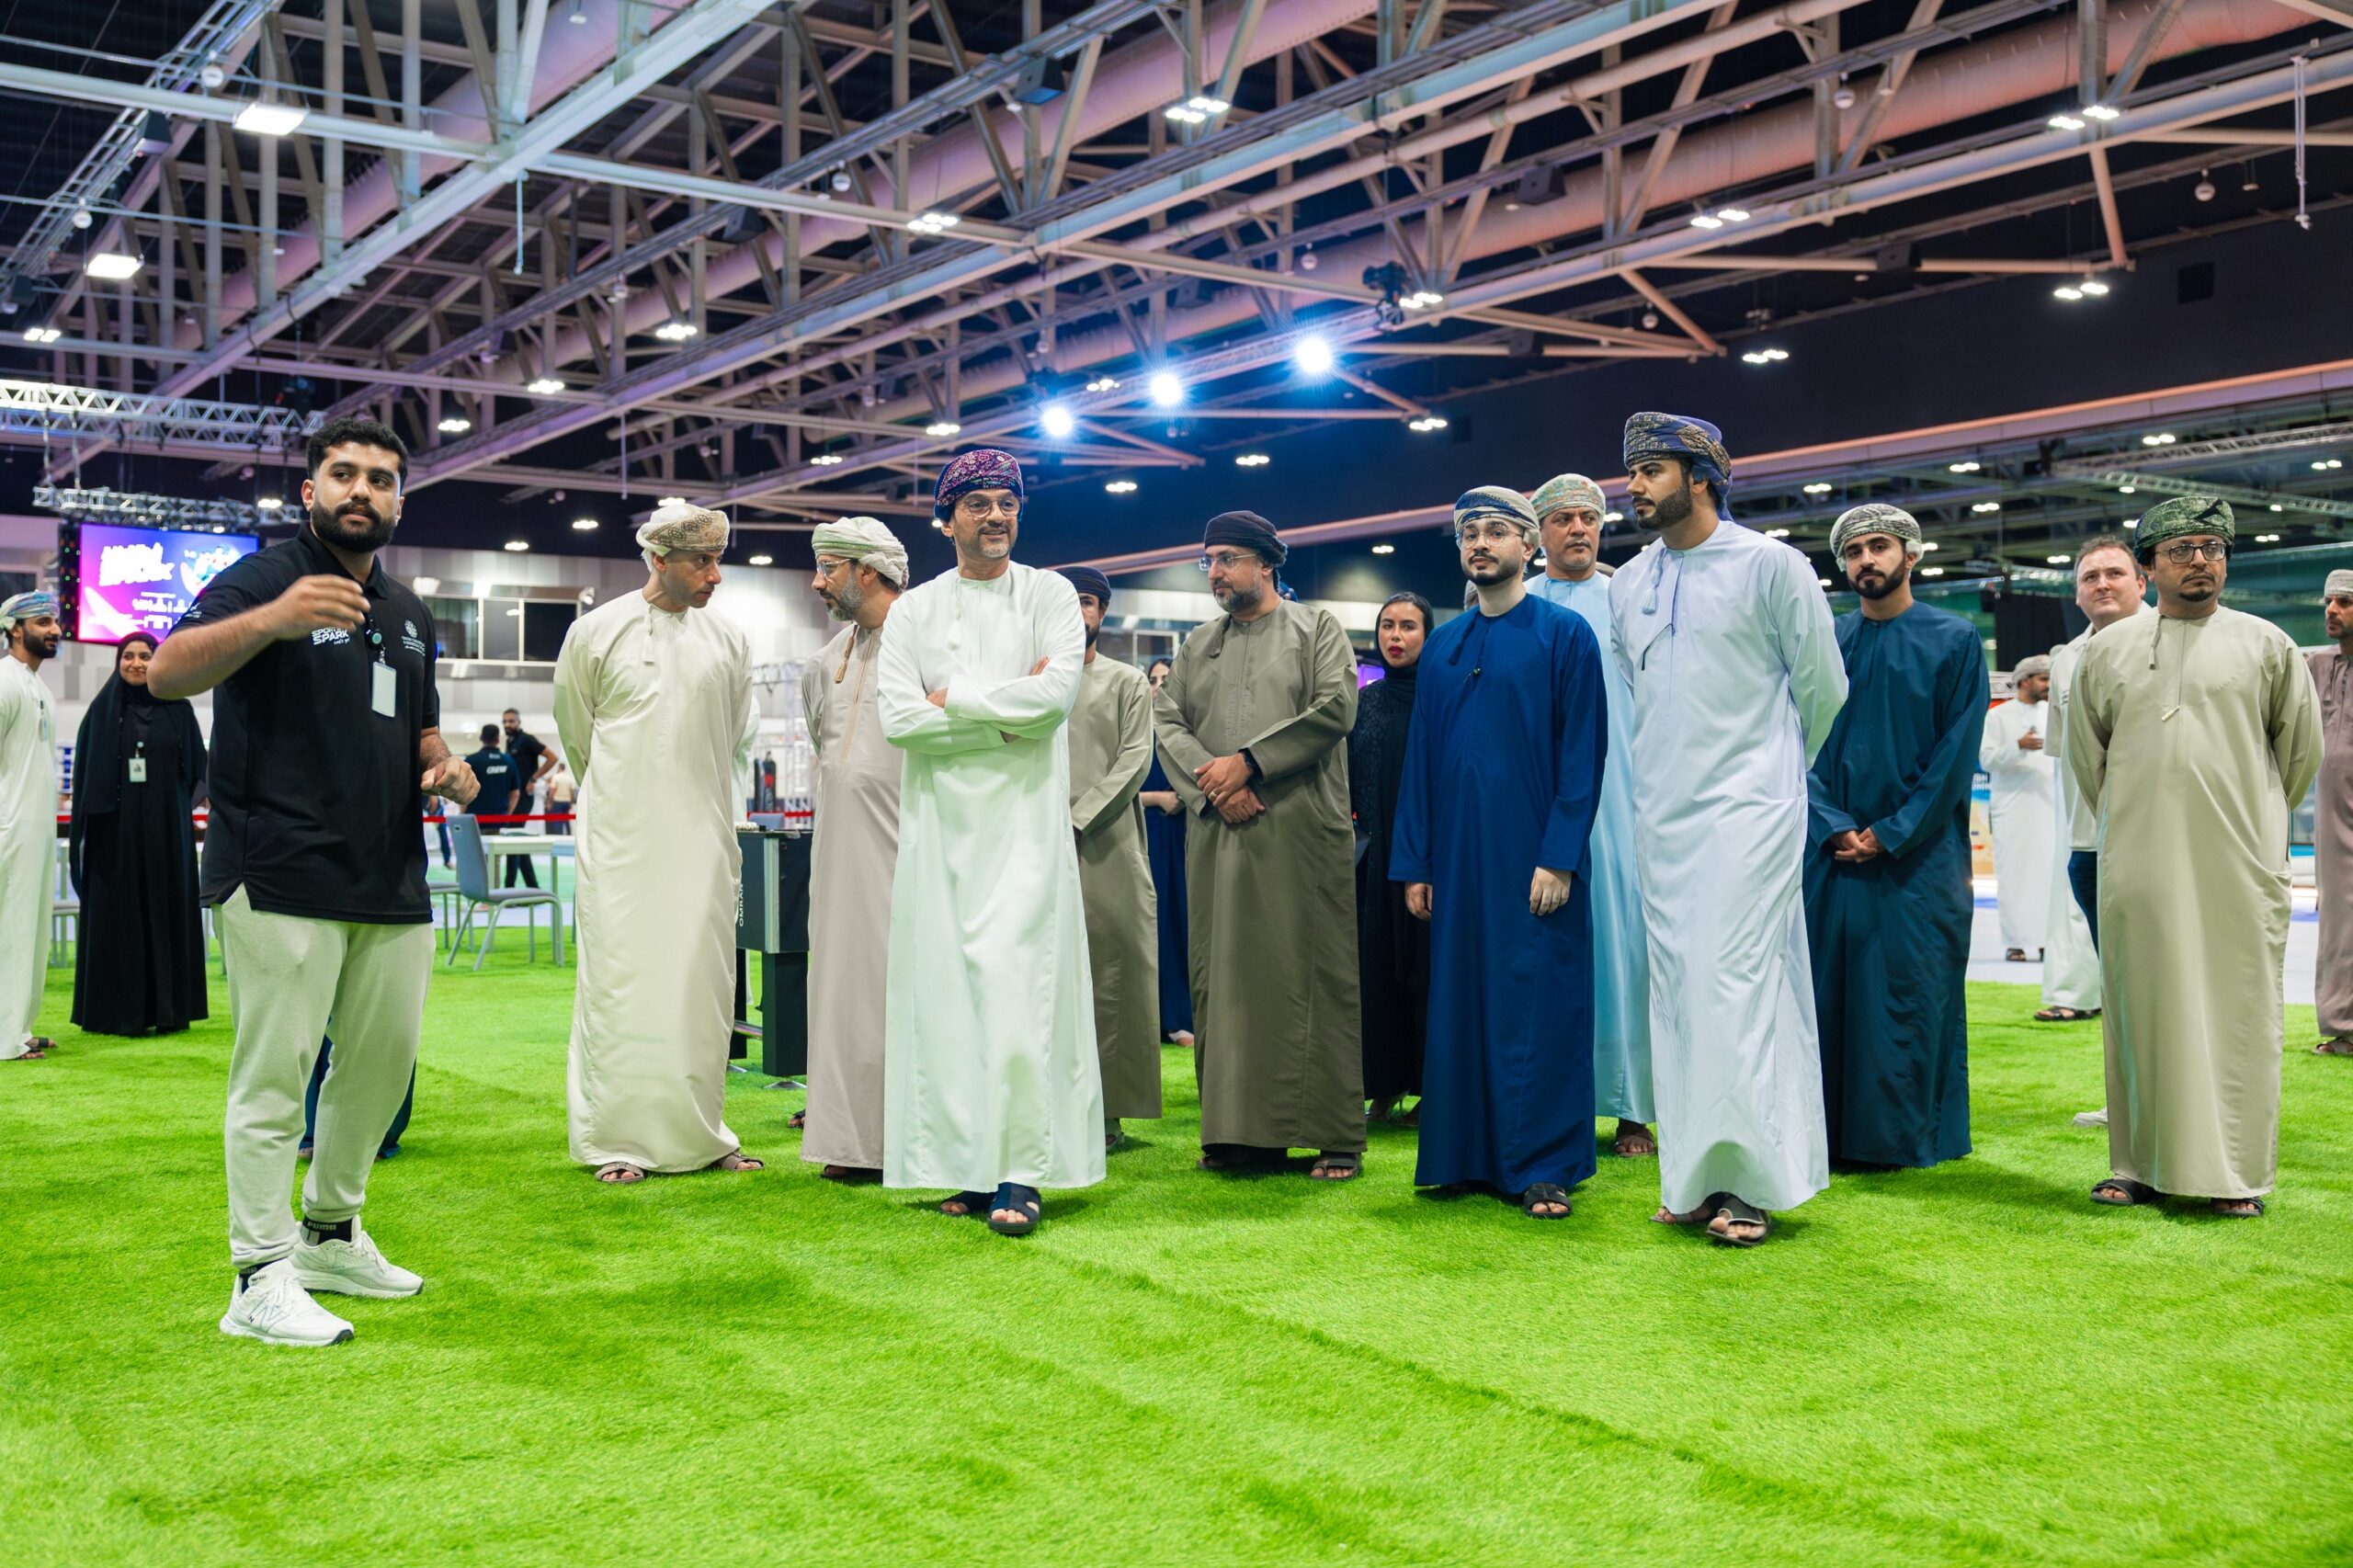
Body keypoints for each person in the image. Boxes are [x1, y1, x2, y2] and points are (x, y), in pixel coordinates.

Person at [148, 415, 477, 1346]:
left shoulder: (408, 612)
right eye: (343, 473)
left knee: (380, 1067)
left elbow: (418, 728)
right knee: (275, 1076)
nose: (361, 489)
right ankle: (258, 1275)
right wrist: (273, 620)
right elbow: (166, 673)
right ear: (310, 491)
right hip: (277, 866)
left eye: (381, 477)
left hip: (387, 873)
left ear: (400, 500)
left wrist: (446, 766)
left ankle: (330, 1233)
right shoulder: (264, 578)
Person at [1608, 413, 1845, 1247]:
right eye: (1632, 471)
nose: (1633, 486)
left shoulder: (1772, 566)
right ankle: (1692, 1179)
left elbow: (1823, 690)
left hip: (1750, 813)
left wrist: (1770, 777)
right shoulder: (1630, 582)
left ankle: (1748, 1185)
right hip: (1661, 819)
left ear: (1702, 476)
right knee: (1678, 994)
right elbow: (1638, 696)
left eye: (1651, 470)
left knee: (1732, 986)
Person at [2067, 495, 2320, 1219]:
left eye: (2212, 548)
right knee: (2140, 1008)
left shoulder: (2267, 645)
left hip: (2237, 861)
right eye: (2180, 550)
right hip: (2138, 861)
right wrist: (2142, 816)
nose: (2199, 561)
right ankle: (2136, 1165)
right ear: (2150, 567)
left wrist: (2245, 818)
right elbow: (2090, 758)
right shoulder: (2109, 650)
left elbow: (2299, 754)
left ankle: (2233, 1174)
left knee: (2238, 1010)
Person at [876, 449, 1101, 1235]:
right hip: (940, 832)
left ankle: (1020, 1173)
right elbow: (899, 720)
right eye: (977, 504)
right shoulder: (914, 611)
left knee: (1017, 994)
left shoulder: (1049, 594)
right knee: (949, 1001)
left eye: (1007, 502)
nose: (996, 516)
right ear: (946, 520)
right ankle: (970, 1168)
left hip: (1025, 832)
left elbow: (1054, 699)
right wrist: (1003, 724)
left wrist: (956, 700)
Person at [1392, 488, 1608, 1220]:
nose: (1480, 544)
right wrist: (1415, 863)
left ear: (1527, 545)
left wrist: (1561, 855)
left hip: (1533, 856)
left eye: (1495, 532)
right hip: (1457, 861)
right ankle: (1464, 1157)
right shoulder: (1445, 645)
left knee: (1539, 1004)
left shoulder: (1566, 635)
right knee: (1462, 1002)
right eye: (1469, 534)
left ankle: (1545, 1166)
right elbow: (1422, 760)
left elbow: (1583, 754)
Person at [554, 498, 762, 1185]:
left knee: (703, 986)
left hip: (703, 840)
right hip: (621, 842)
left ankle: (704, 1135)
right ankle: (617, 1140)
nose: (714, 575)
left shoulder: (729, 641)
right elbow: (578, 738)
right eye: (701, 561)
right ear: (658, 559)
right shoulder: (595, 632)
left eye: (718, 560)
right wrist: (623, 802)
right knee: (621, 984)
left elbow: (733, 737)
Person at [1155, 510, 1365, 1182]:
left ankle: (1333, 1134)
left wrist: (1249, 763)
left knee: (1312, 974)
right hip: (1220, 832)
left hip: (1298, 829)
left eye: (1227, 559)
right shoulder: (1197, 645)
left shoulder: (1316, 628)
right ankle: (1237, 1133)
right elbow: (1167, 720)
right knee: (1224, 982)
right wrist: (1215, 783)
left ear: (1266, 564)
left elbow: (1336, 708)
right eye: (1209, 561)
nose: (1215, 573)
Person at [1805, 506, 1987, 1170]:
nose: (1865, 560)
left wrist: (1891, 832)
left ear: (1911, 556)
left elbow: (1955, 755)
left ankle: (1904, 1140)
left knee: (1912, 994)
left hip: (1920, 859)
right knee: (1827, 993)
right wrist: (1830, 824)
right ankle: (1823, 1138)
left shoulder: (1954, 639)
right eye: (1853, 551)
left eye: (1878, 546)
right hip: (1829, 855)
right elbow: (1795, 741)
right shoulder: (1826, 640)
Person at [1529, 472, 1654, 1158]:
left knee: (1627, 946)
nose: (1579, 529)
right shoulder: (1520, 604)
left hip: (1623, 795)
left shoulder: (1628, 600)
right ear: (1539, 532)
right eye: (1564, 519)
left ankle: (1633, 1108)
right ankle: (1551, 1099)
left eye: (1590, 518)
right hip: (1536, 800)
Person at [798, 516, 908, 1183]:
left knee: (901, 987)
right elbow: (824, 744)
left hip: (910, 853)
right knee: (840, 987)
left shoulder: (928, 643)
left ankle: (908, 1141)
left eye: (827, 569)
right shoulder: (823, 662)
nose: (817, 583)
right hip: (840, 855)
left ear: (867, 572)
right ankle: (849, 1139)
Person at [1061, 565, 1163, 1149]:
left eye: (1086, 602)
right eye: (1067, 601)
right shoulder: (1029, 683)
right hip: (1032, 845)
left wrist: (1076, 819)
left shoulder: (1126, 681)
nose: (1078, 613)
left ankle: (1109, 1114)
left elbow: (1134, 761)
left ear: (1102, 612)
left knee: (1112, 973)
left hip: (1106, 843)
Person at [69, 631, 210, 1037]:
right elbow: (85, 777)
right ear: (118, 662)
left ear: (157, 661)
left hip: (167, 834)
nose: (136, 663)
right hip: (115, 838)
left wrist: (175, 807)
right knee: (121, 916)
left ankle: (168, 1011)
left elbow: (199, 772)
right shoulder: (101, 712)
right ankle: (118, 1013)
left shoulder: (179, 709)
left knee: (166, 910)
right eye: (128, 656)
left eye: (145, 656)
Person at [2040, 537, 2143, 1073]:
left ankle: (2181, 1104)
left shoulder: (2171, 644)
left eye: (2114, 573)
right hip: (2089, 846)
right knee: (2118, 982)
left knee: (2165, 981)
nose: (2102, 584)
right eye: (2089, 577)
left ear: (2142, 582)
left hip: (2156, 843)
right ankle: (2131, 1103)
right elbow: (2065, 753)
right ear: (2077, 595)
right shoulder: (2066, 660)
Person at [1349, 592, 1433, 1125]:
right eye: (1387, 626)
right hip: (1374, 856)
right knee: (1376, 971)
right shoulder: (1366, 702)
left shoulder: (1444, 697)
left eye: (1407, 626)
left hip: (1430, 857)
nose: (1395, 636)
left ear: (1429, 634)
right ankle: (1381, 1086)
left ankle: (1433, 1089)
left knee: (1427, 972)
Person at [0, 591, 61, 1063]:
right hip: (10, 824)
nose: (55, 630)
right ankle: (5, 1037)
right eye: (43, 622)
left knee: (33, 929)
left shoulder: (39, 687)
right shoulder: (4, 682)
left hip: (36, 827)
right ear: (15, 629)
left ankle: (19, 1027)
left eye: (54, 621)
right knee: (12, 930)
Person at [1979, 654, 2055, 962]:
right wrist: (2018, 747)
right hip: (2012, 808)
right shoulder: (1998, 716)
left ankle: (2048, 941)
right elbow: (1986, 760)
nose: (2048, 685)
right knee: (2014, 875)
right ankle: (2016, 942)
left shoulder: (2054, 713)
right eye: (2043, 679)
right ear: (2024, 681)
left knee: (2049, 875)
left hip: (2050, 807)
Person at [2308, 569, 2353, 1056]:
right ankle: (2344, 1026)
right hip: (2333, 817)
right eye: (2328, 602)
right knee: (2338, 919)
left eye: (2344, 602)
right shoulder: (2318, 666)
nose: (2332, 610)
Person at [1139, 658, 1194, 1049]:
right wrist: (1158, 798)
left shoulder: (1186, 732)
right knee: (1152, 922)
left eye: (1166, 680)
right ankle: (1151, 1017)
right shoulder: (1136, 729)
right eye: (1153, 680)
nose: (1158, 685)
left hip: (1184, 835)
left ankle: (1180, 1016)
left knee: (1181, 920)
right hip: (1147, 835)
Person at [499, 710, 554, 888]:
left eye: (511, 721)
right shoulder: (510, 742)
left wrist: (534, 778)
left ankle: (509, 887)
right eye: (505, 721)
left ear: (518, 722)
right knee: (517, 841)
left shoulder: (527, 740)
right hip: (513, 797)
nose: (507, 724)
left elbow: (552, 757)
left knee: (513, 840)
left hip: (523, 797)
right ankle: (533, 886)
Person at [463, 723, 522, 829]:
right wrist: (507, 817)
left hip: (474, 821)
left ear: (481, 738)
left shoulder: (471, 761)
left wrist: (462, 814)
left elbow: (463, 792)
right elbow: (515, 793)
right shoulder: (509, 761)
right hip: (500, 821)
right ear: (498, 739)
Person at [545, 753, 575, 835]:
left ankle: (559, 835)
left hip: (558, 801)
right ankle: (569, 835)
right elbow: (571, 792)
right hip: (567, 801)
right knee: (566, 819)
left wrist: (549, 802)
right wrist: (571, 802)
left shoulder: (556, 777)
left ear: (559, 768)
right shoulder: (569, 778)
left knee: (557, 820)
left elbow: (552, 791)